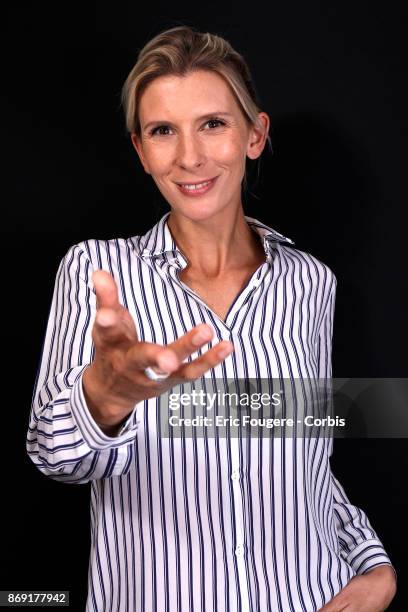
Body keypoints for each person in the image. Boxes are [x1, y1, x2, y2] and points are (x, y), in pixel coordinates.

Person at [27, 25, 397, 612]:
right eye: (163, 131)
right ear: (141, 151)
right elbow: (55, 456)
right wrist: (107, 393)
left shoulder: (311, 284)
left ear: (255, 135)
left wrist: (374, 565)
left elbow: (310, 462)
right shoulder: (96, 272)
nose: (190, 156)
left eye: (213, 124)